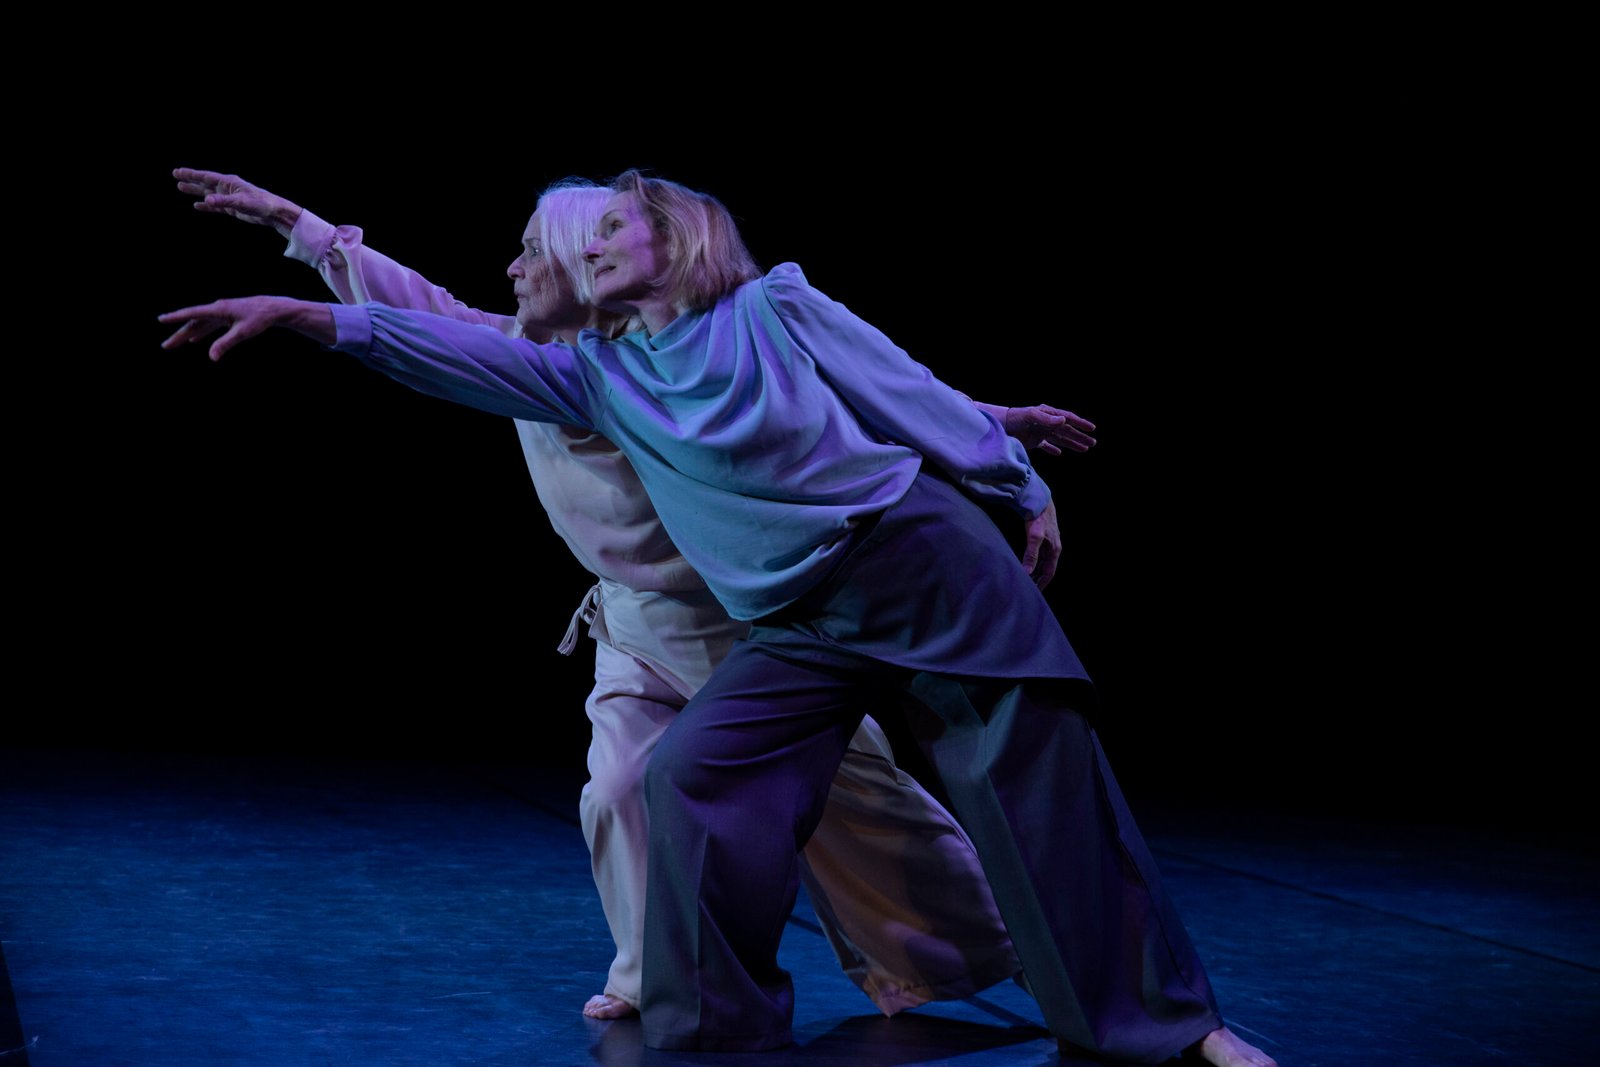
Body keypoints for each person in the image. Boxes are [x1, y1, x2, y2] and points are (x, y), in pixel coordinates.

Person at [159, 170, 1276, 1066]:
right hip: (789, 617)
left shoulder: (770, 305)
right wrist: (310, 307)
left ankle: (1170, 1024)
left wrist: (1015, 472)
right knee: (689, 776)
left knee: (1037, 790)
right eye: (586, 234)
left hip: (916, 565)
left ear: (678, 237)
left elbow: (899, 390)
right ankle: (714, 1031)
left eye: (612, 228)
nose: (585, 247)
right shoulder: (591, 373)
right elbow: (440, 340)